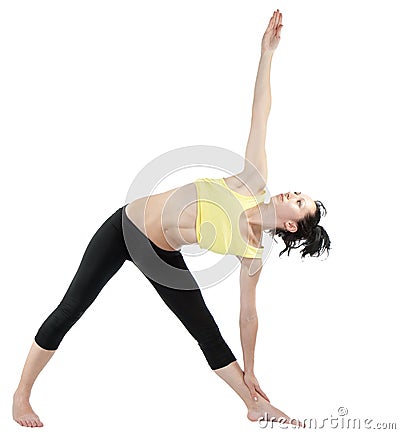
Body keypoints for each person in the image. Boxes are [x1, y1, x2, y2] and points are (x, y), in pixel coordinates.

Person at [12, 9, 330, 428]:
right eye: (299, 192)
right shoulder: (253, 181)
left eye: (299, 201)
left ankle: (254, 403)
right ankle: (21, 397)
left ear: (291, 224)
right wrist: (266, 53)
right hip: (125, 227)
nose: (292, 193)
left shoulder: (252, 253)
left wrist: (252, 368)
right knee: (72, 307)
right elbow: (260, 113)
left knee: (207, 334)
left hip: (161, 256)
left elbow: (248, 315)